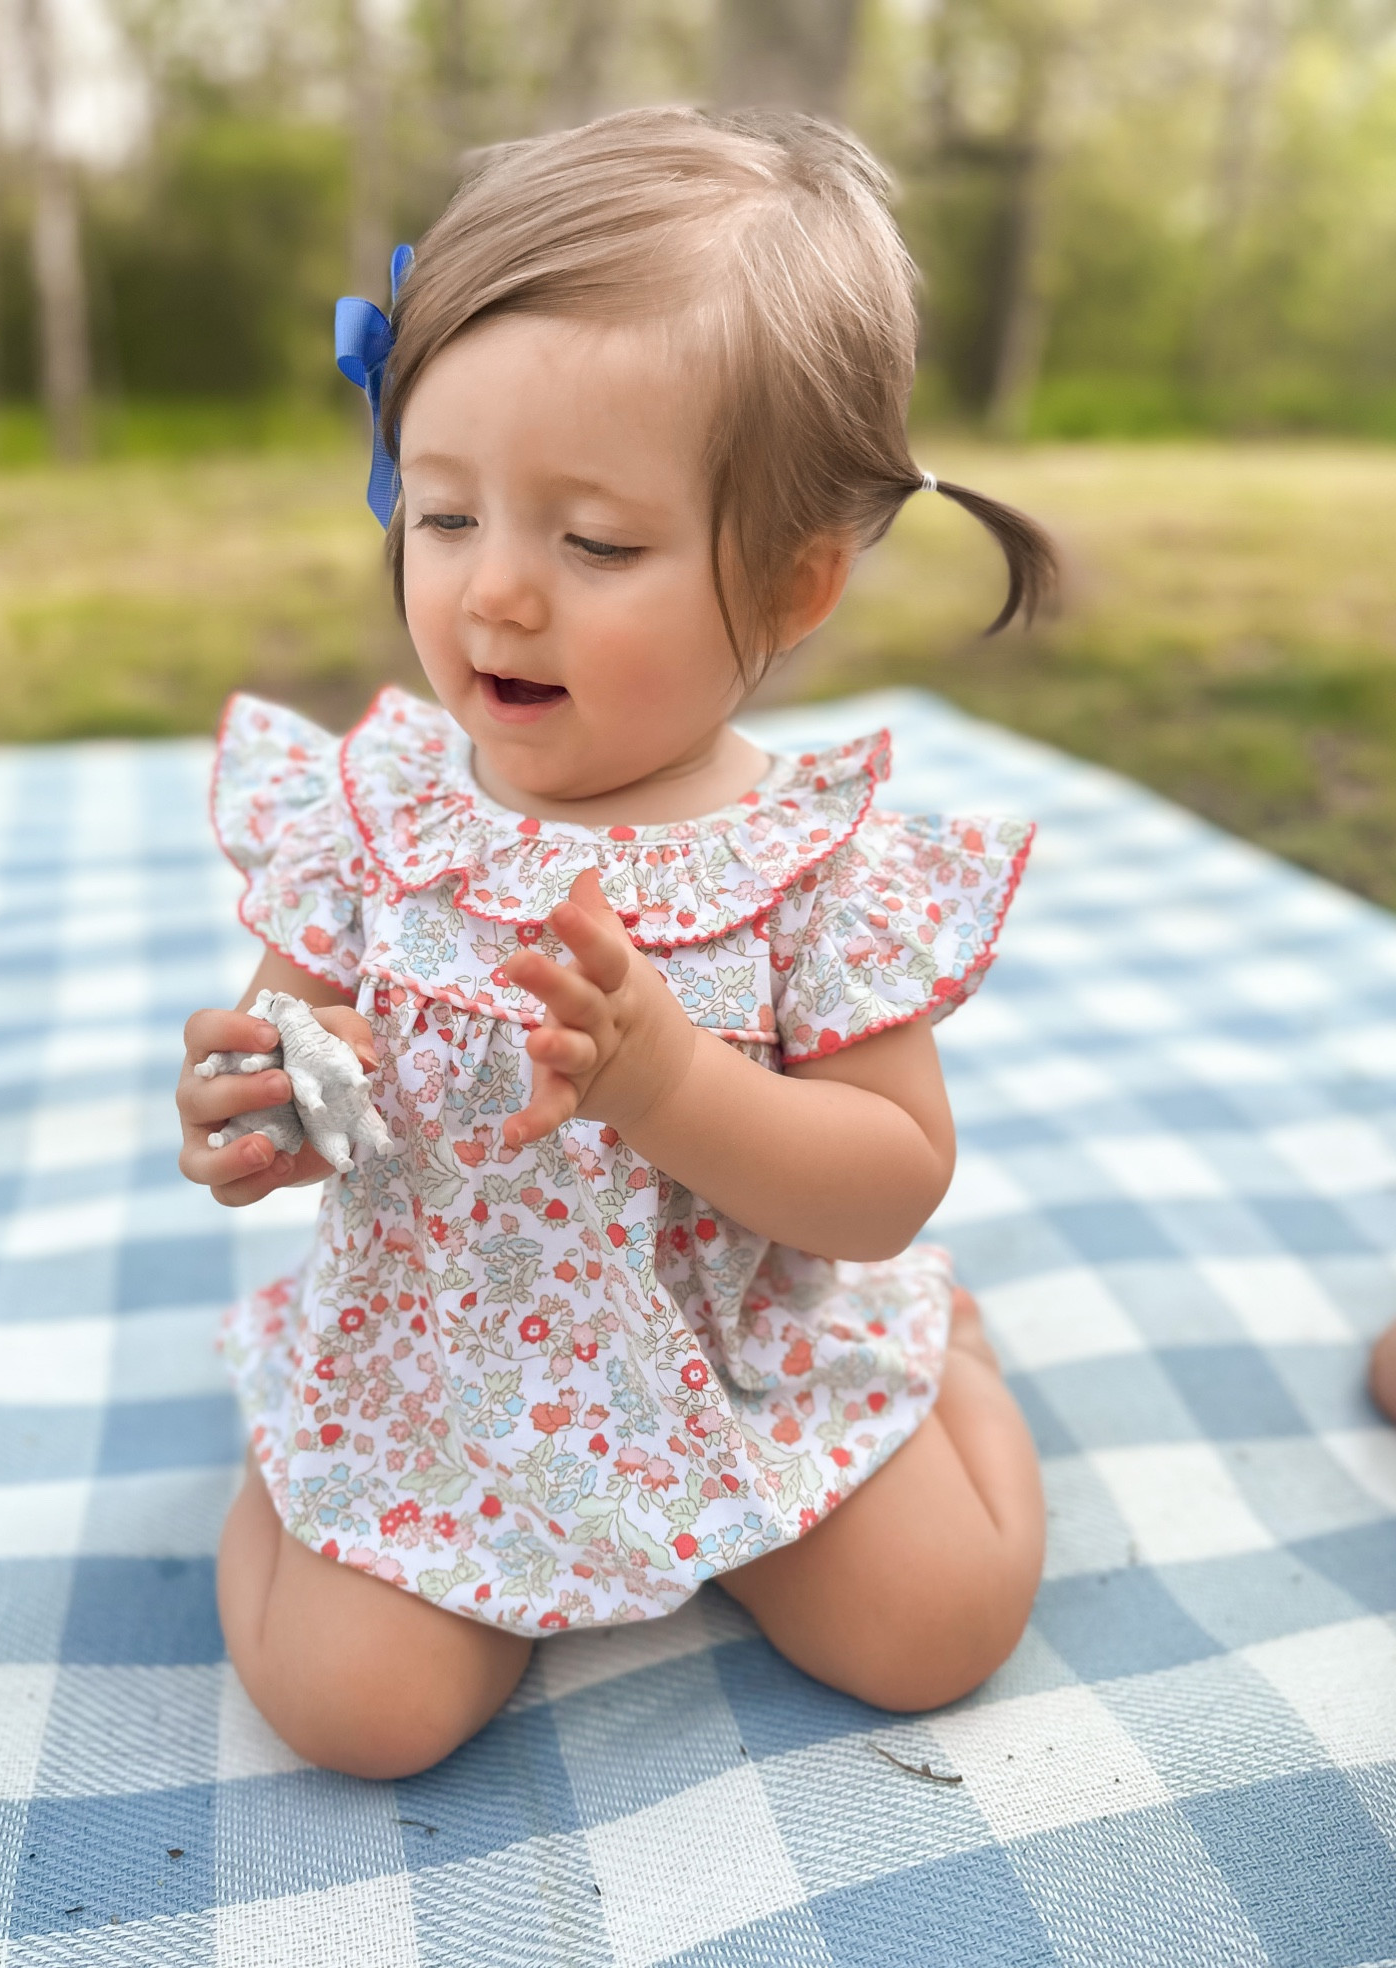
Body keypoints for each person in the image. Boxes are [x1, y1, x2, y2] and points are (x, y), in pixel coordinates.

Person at [177, 107, 1058, 1779]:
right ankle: (288, 1450)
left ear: (797, 587)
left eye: (593, 544)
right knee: (356, 1714)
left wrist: (673, 1087)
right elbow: (285, 1030)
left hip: (743, 1347)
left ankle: (952, 1360)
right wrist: (256, 1100)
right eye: (442, 517)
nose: (498, 594)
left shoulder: (803, 863)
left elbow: (888, 1173)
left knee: (936, 1629)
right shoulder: (382, 809)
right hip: (444, 1365)